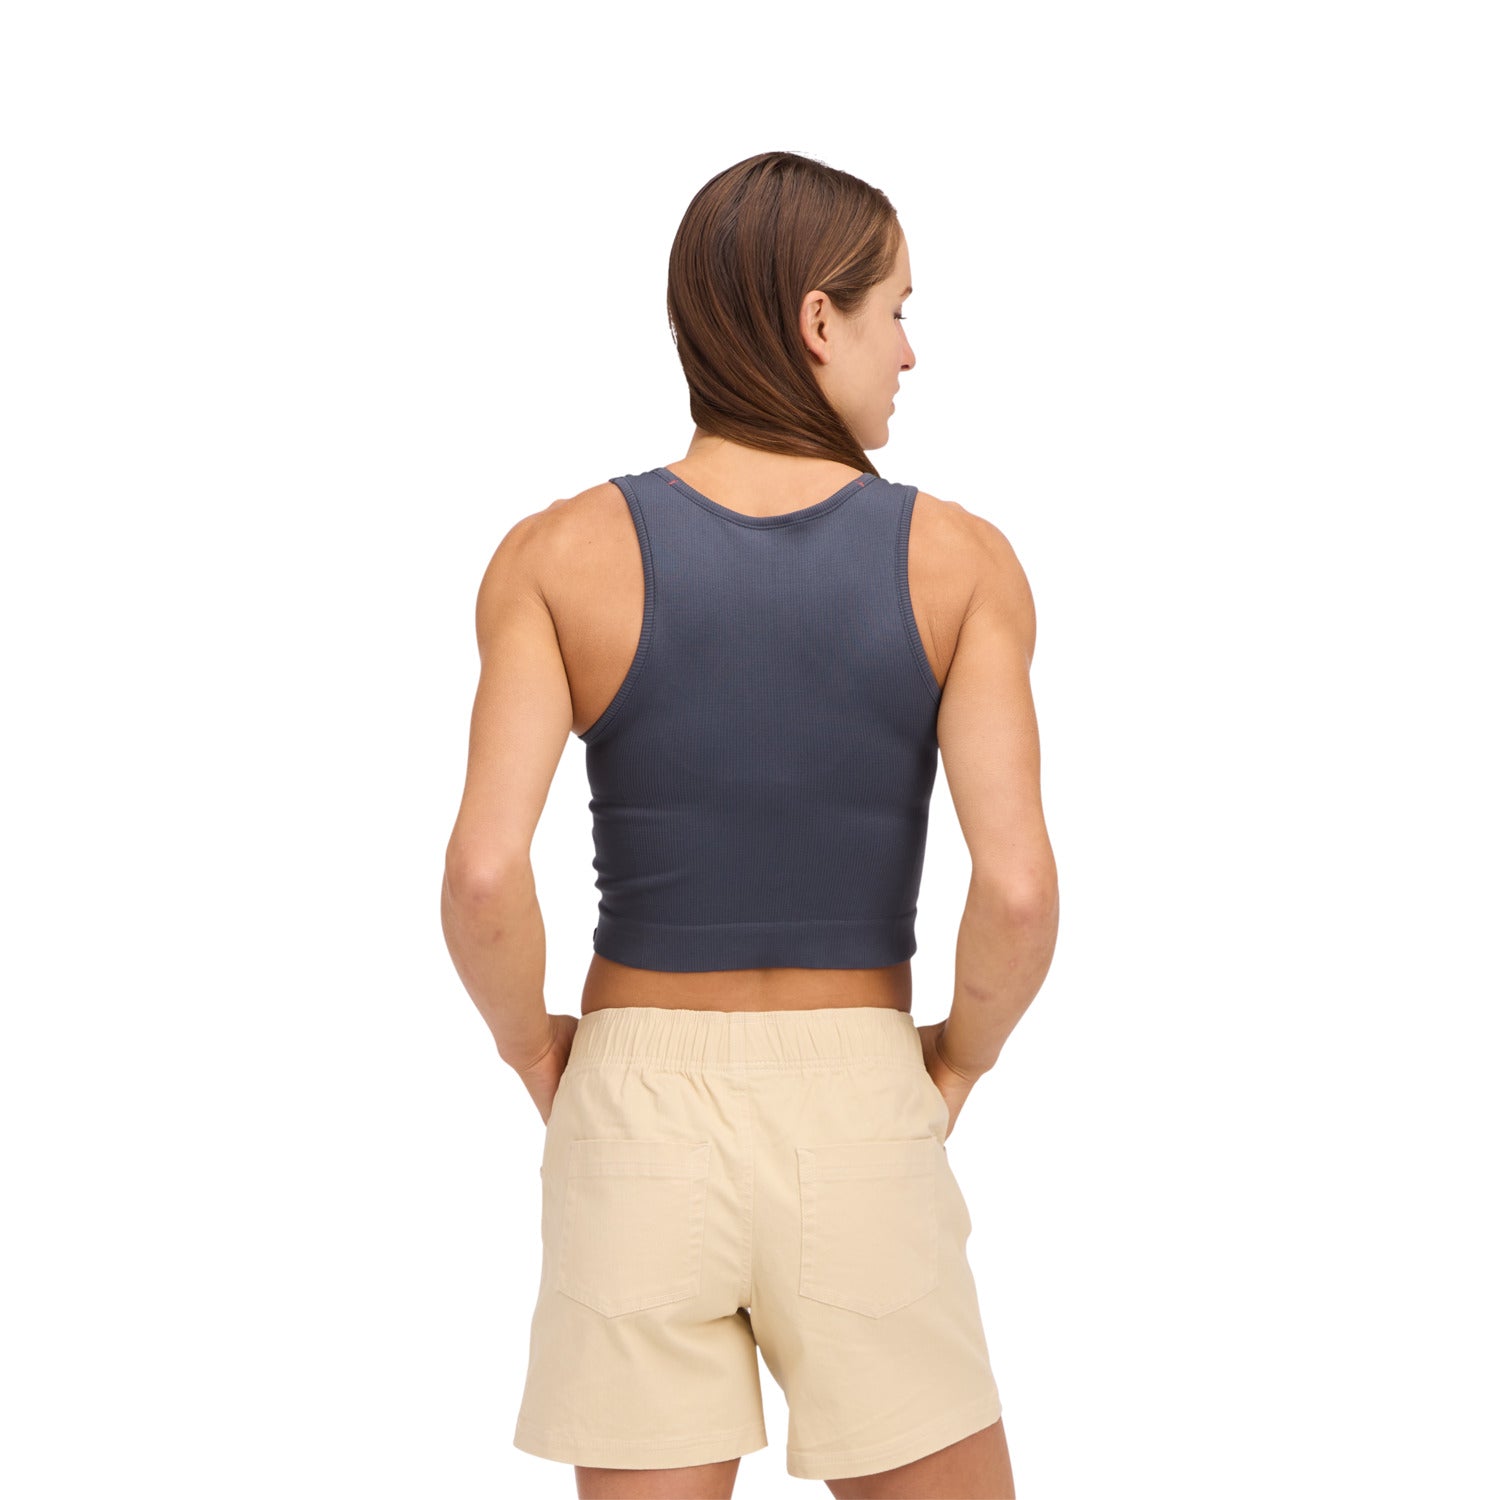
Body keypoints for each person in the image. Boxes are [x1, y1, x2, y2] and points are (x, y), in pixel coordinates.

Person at [440, 149, 1058, 1499]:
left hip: (632, 1099)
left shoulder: (555, 556)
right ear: (818, 320)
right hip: (858, 1092)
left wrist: (536, 1052)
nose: (911, 351)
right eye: (896, 310)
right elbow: (1016, 892)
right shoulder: (960, 563)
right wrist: (956, 1068)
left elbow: (484, 874)